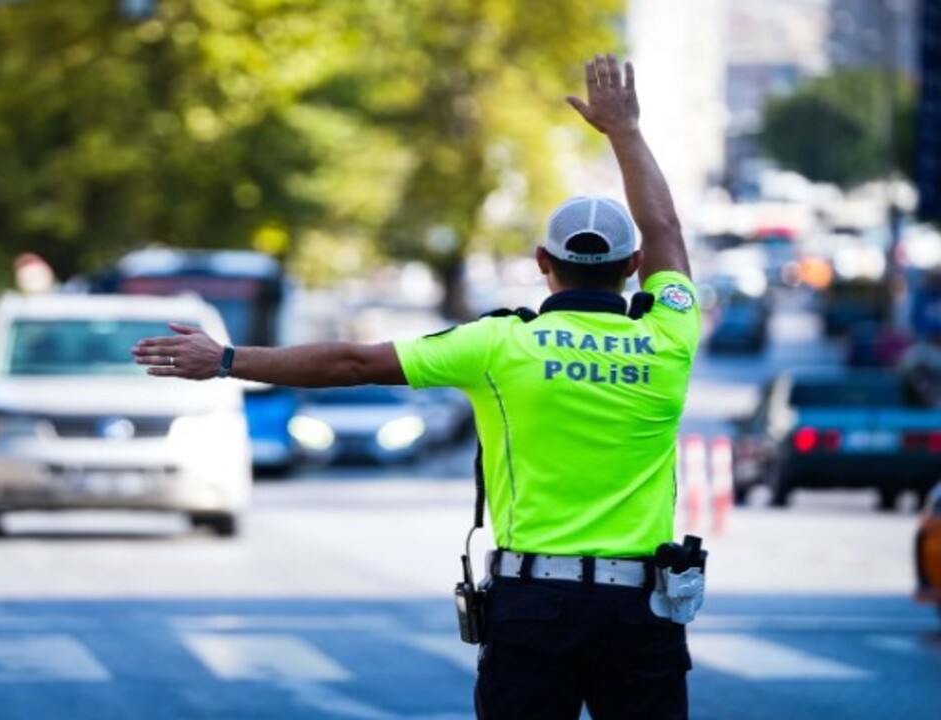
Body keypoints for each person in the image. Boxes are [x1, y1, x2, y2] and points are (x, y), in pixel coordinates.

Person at [132, 54, 699, 720]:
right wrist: (625, 132)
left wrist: (226, 358)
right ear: (633, 269)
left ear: (543, 263)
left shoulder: (498, 345)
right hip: (643, 608)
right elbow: (667, 231)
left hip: (535, 606)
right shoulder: (670, 335)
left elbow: (350, 363)